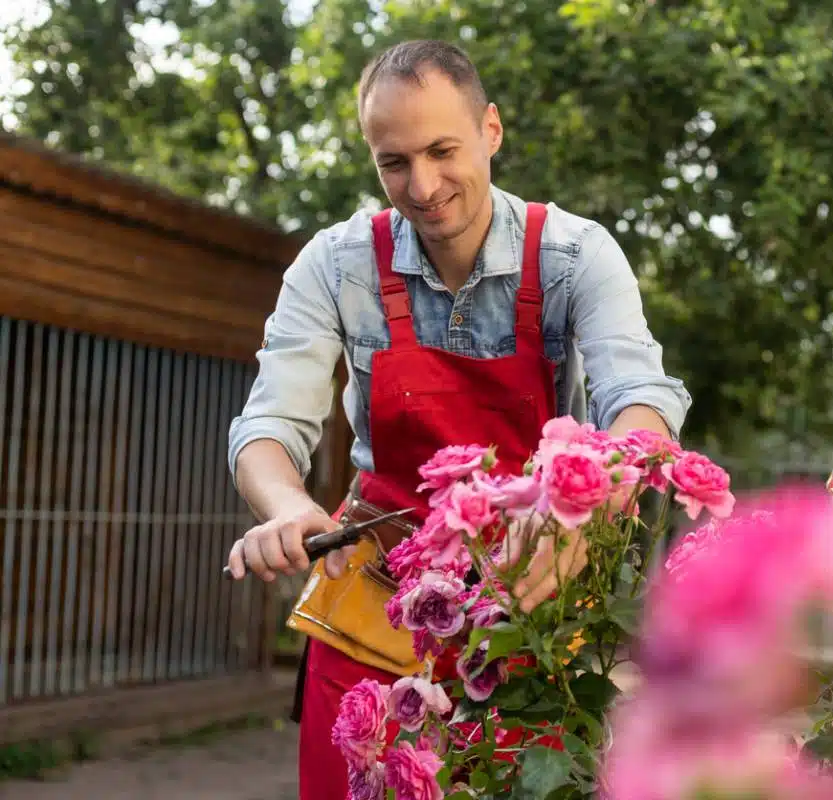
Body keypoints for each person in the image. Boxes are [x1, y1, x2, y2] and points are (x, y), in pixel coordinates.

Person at [224, 39, 690, 799]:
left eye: (443, 150)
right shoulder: (333, 265)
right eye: (394, 162)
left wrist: (586, 512)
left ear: (492, 131)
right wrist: (287, 506)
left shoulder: (574, 257)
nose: (423, 184)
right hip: (371, 607)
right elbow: (266, 429)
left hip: (527, 609)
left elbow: (640, 401)